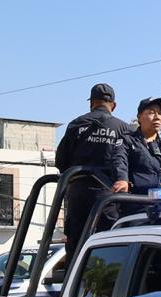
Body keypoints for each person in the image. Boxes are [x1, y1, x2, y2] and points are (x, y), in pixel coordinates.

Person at [54, 82, 133, 257]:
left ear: (91, 103)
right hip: (110, 195)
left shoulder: (77, 124)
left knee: (77, 246)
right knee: (109, 245)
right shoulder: (123, 128)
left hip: (78, 194)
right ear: (114, 105)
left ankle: (75, 273)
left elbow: (61, 161)